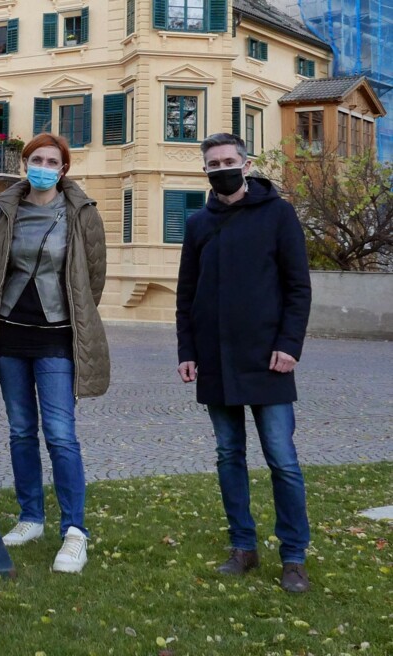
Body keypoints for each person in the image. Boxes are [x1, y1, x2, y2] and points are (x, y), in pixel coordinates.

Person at [176, 133, 312, 593]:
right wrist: (187, 351)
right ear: (205, 171)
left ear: (247, 164)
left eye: (229, 160)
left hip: (270, 360)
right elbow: (186, 295)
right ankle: (243, 548)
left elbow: (298, 288)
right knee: (228, 455)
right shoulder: (197, 224)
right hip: (214, 359)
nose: (222, 168)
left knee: (283, 459)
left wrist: (289, 344)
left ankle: (293, 556)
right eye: (213, 163)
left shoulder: (279, 215)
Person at [0, 133, 110, 574]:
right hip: (11, 334)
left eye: (52, 160)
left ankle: (75, 532)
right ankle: (31, 517)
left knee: (60, 433)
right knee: (20, 430)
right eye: (36, 158)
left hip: (56, 335)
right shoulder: (5, 210)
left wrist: (72, 318)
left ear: (63, 168)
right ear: (25, 164)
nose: (43, 165)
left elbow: (93, 278)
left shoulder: (81, 213)